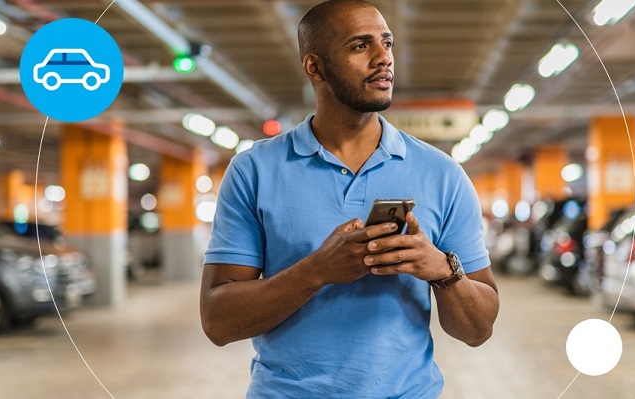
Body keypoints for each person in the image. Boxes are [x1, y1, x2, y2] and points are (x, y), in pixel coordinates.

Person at [199, 0, 499, 397]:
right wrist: (317, 271)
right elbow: (218, 323)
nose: (383, 59)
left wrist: (442, 270)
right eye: (360, 46)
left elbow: (478, 330)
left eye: (387, 43)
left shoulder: (442, 174)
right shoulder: (253, 170)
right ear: (315, 67)